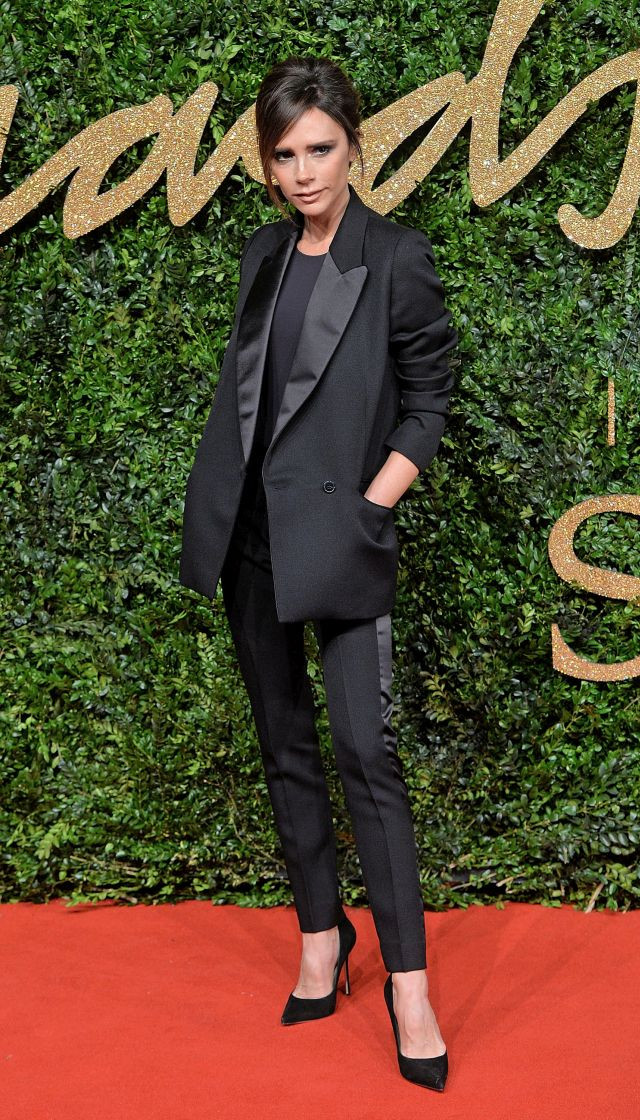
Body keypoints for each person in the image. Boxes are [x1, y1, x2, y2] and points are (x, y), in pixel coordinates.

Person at [180, 56, 458, 1091]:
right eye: (285, 153)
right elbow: (254, 395)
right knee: (284, 745)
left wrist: (370, 504)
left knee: (363, 754)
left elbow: (428, 399)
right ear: (266, 162)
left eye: (321, 148)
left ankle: (410, 986)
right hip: (249, 536)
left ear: (353, 146)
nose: (303, 172)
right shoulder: (263, 251)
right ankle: (319, 935)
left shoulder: (395, 256)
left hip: (339, 536)